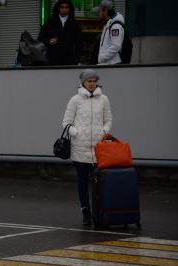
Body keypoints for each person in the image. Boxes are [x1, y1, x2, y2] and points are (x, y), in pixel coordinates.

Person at [62, 69, 112, 225]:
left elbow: (108, 120)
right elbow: (66, 122)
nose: (92, 83)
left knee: (99, 183)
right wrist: (77, 132)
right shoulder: (75, 100)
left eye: (94, 81)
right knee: (82, 181)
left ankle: (99, 212)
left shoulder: (103, 99)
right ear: (83, 82)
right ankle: (86, 211)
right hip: (80, 148)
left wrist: (103, 131)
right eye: (89, 81)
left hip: (98, 148)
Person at [38, 0, 83, 65]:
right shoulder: (50, 21)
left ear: (70, 9)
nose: (64, 9)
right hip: (52, 59)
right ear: (58, 8)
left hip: (69, 60)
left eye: (66, 7)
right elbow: (40, 39)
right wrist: (49, 41)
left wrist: (78, 59)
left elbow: (78, 42)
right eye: (62, 7)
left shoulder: (74, 23)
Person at [94, 0, 125, 65]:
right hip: (108, 65)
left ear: (105, 11)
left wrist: (102, 58)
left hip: (111, 66)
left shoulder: (115, 26)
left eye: (99, 11)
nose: (98, 14)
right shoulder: (109, 24)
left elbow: (116, 46)